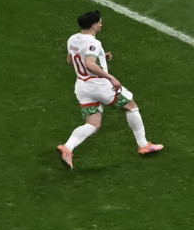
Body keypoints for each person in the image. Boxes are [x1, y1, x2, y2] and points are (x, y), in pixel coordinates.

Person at [57, 10, 163, 169]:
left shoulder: (72, 39)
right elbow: (89, 64)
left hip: (83, 87)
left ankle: (68, 147)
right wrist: (110, 77)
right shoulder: (93, 43)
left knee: (93, 124)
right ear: (93, 26)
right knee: (131, 106)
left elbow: (71, 60)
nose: (101, 24)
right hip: (100, 86)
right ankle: (143, 145)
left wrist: (101, 57)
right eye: (100, 22)